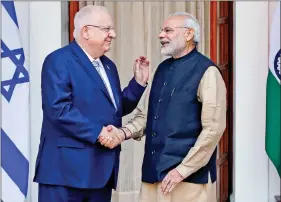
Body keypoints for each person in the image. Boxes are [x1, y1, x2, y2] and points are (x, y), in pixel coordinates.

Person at [100, 12, 227, 202]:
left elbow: (213, 128)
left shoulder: (207, 71)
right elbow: (147, 117)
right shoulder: (161, 69)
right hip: (153, 176)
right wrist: (121, 133)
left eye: (168, 30)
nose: (161, 35)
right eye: (161, 30)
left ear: (189, 34)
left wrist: (182, 171)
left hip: (188, 180)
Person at [33, 5, 149, 202]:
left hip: (101, 174)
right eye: (106, 29)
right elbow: (59, 110)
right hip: (65, 175)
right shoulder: (58, 60)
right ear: (86, 31)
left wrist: (138, 84)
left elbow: (114, 110)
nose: (112, 34)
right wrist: (99, 132)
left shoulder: (108, 66)